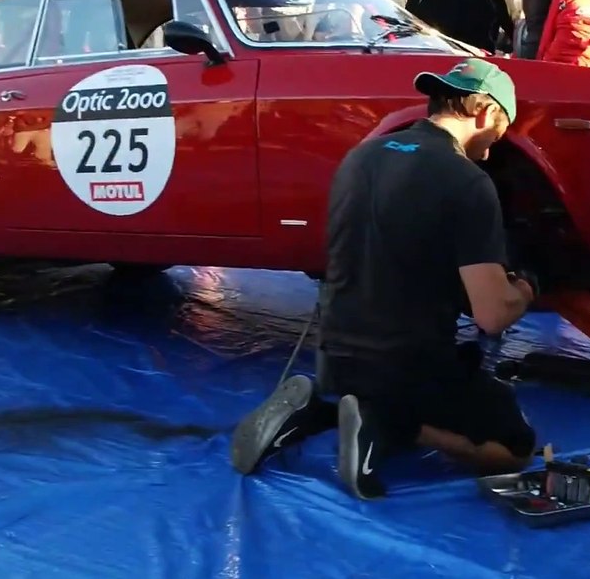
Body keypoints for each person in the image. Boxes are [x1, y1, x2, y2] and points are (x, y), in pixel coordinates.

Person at [228, 58, 537, 501]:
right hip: (408, 368)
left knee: (374, 371)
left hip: (334, 355)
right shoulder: (468, 181)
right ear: (486, 112)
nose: (495, 143)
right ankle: (388, 423)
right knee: (514, 450)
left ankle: (324, 408)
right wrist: (525, 289)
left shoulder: (361, 155)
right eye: (502, 128)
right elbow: (491, 316)